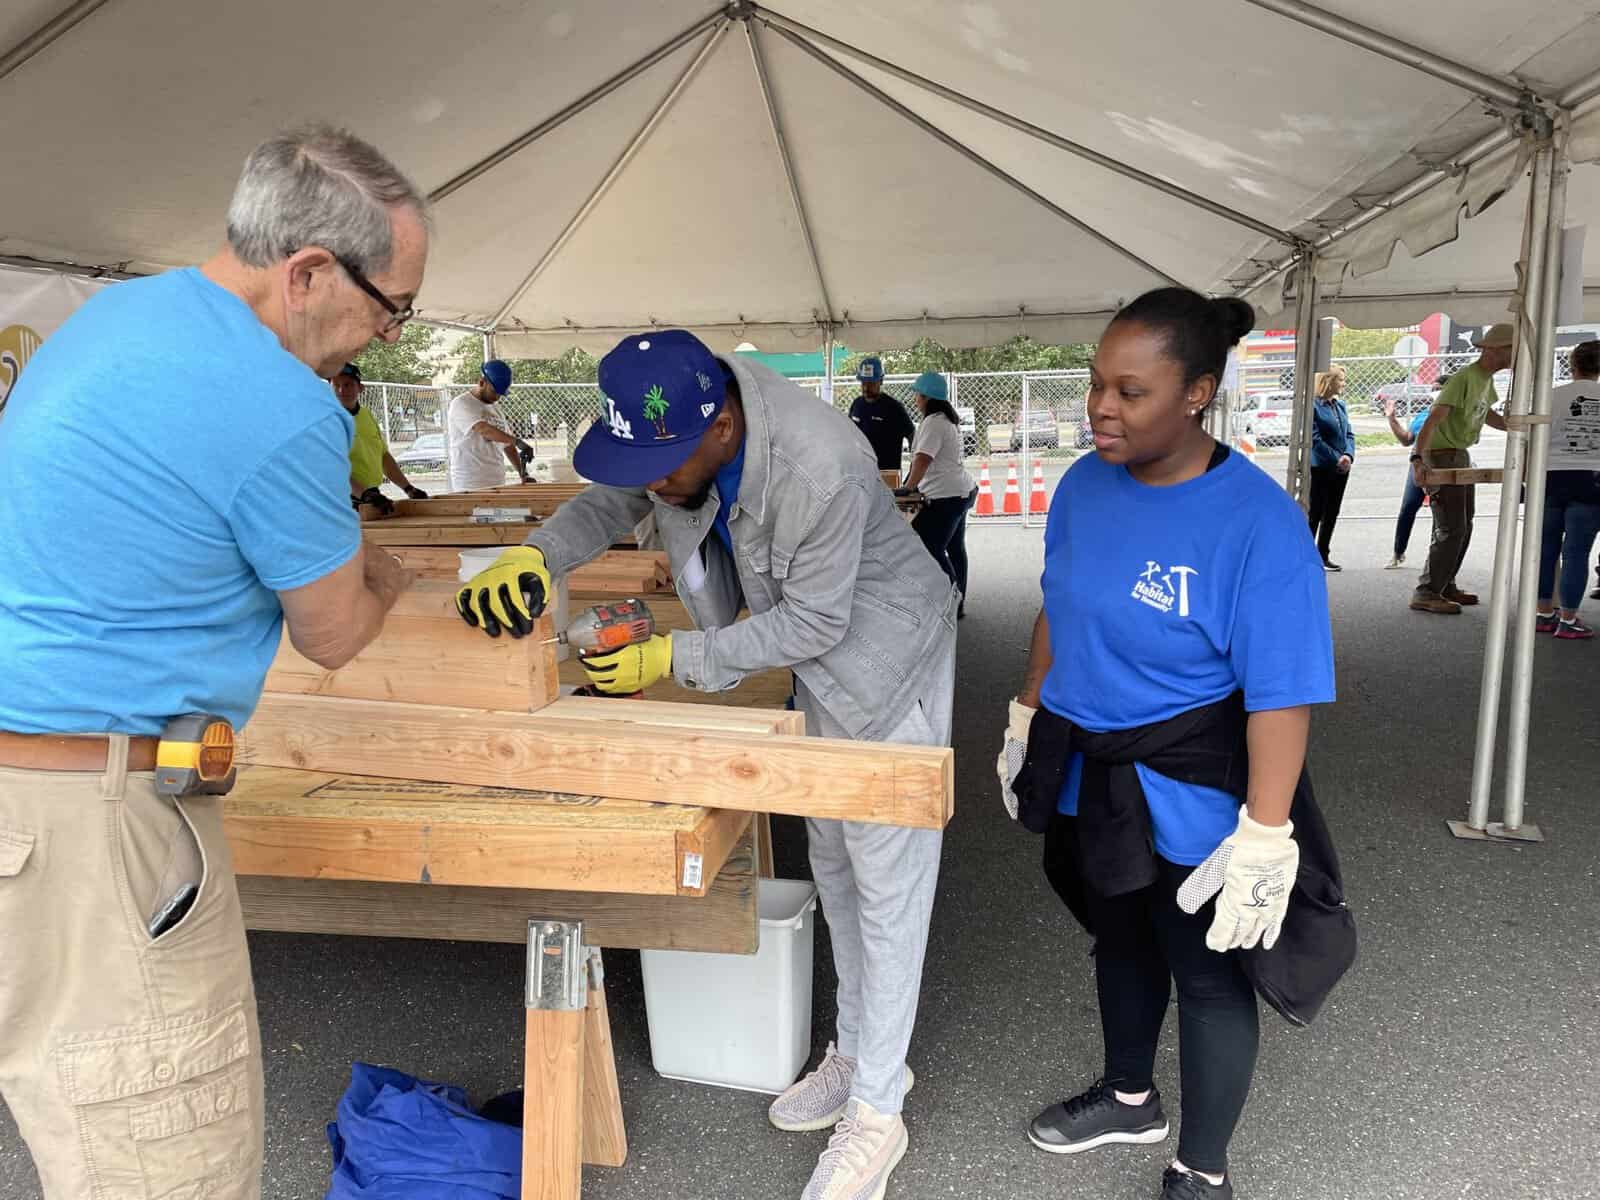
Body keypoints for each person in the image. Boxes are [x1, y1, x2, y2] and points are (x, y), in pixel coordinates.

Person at [0, 124, 424, 1200]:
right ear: (309, 272)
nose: (378, 337)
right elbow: (330, 632)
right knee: (161, 1161)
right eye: (391, 307)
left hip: (28, 794)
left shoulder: (119, 315)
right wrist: (392, 578)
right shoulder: (281, 407)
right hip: (98, 819)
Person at [455, 330, 958, 1200]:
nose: (651, 481)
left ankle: (879, 1107)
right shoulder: (685, 434)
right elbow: (606, 502)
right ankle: (856, 1050)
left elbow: (813, 625)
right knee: (836, 864)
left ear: (722, 426)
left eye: (662, 463)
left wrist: (673, 658)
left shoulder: (821, 465)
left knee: (889, 886)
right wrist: (536, 554)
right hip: (821, 674)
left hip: (886, 665)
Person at [997, 288, 1335, 1200]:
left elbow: (1282, 695)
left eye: (1131, 391)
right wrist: (1028, 714)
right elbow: (1059, 606)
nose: (1102, 408)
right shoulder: (1081, 484)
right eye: (1096, 384)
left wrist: (1267, 833)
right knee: (1120, 939)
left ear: (1197, 393)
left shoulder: (1256, 524)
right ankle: (1128, 1095)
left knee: (1208, 972)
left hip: (1190, 787)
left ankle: (1204, 1165)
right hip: (1086, 770)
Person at [1408, 324, 1515, 614]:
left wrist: (1513, 426)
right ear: (1494, 350)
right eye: (1511, 349)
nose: (1514, 355)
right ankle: (1428, 591)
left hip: (1458, 454)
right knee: (1452, 527)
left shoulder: (1484, 380)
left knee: (1463, 525)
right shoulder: (1464, 378)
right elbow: (1433, 419)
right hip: (1442, 455)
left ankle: (1444, 583)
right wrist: (1420, 459)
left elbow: (1486, 413)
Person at [1534, 339, 1600, 640]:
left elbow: (1535, 438)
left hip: (1550, 476)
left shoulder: (1551, 396)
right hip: (1591, 480)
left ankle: (1544, 613)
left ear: (1572, 365)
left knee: (1546, 549)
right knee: (1576, 552)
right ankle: (1569, 619)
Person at [900, 370, 977, 616]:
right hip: (960, 493)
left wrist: (909, 488)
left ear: (926, 397)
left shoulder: (933, 422)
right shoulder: (946, 420)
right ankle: (958, 603)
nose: (915, 399)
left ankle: (949, 600)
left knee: (928, 547)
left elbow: (923, 459)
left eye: (917, 394)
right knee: (955, 549)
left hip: (945, 498)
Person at [334, 361, 428, 514]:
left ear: (360, 388)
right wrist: (364, 495)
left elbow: (383, 456)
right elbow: (332, 467)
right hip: (344, 499)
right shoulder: (327, 421)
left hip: (369, 497)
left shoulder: (366, 415)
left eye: (347, 384)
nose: (341, 390)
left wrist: (408, 488)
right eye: (336, 385)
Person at [446, 359, 533, 491]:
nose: (497, 397)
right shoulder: (461, 403)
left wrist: (523, 473)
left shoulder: (495, 408)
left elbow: (508, 445)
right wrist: (518, 441)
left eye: (500, 393)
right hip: (470, 483)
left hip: (496, 481)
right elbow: (483, 429)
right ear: (482, 382)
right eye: (494, 391)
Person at [1383, 382, 1442, 569]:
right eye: (1433, 389)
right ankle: (1398, 552)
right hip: (1418, 465)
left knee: (1440, 512)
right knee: (1408, 507)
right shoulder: (1424, 414)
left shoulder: (1452, 416)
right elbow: (1406, 439)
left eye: (1439, 389)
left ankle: (1437, 559)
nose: (1435, 393)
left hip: (1441, 465)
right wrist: (1392, 418)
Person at [1306, 365, 1355, 570]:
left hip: (1341, 468)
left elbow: (1349, 435)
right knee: (1315, 512)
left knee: (1332, 512)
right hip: (1322, 467)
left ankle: (1323, 553)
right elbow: (1315, 440)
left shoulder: (1340, 405)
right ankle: (1306, 557)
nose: (1343, 384)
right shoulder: (1313, 407)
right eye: (1340, 380)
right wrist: (1337, 459)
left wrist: (1348, 455)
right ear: (1328, 381)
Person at [848, 355, 916, 471]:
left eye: (870, 383)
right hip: (861, 471)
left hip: (887, 473)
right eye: (863, 382)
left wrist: (913, 467)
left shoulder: (894, 408)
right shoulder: (856, 404)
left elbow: (912, 436)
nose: (866, 387)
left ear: (881, 381)